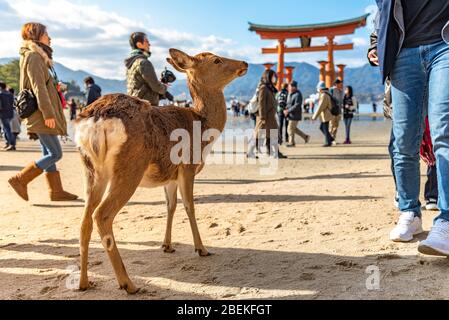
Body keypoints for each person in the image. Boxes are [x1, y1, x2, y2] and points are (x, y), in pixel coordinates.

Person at [371, 0, 449, 255]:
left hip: (444, 45)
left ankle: (446, 220)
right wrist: (375, 44)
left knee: (444, 133)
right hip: (403, 52)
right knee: (403, 142)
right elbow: (383, 11)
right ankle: (409, 212)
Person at [8, 22, 77, 202]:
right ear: (36, 35)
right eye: (47, 34)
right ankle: (20, 179)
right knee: (55, 153)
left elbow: (40, 84)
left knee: (48, 151)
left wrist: (55, 86)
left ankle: (56, 191)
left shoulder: (33, 56)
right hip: (40, 113)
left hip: (39, 112)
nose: (50, 38)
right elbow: (38, 88)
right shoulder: (34, 57)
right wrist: (48, 114)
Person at [247, 69, 286, 159]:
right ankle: (250, 152)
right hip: (264, 116)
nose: (275, 78)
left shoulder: (270, 88)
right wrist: (263, 117)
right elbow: (261, 103)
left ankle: (274, 152)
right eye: (273, 76)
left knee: (272, 134)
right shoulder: (263, 87)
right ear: (268, 76)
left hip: (270, 116)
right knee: (258, 135)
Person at [125, 32, 167, 106]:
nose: (149, 44)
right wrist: (164, 87)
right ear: (139, 44)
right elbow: (156, 87)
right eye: (146, 41)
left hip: (134, 105)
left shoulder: (131, 63)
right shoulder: (144, 63)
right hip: (145, 108)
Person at [284, 81, 310, 147]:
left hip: (295, 114)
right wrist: (286, 109)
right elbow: (288, 103)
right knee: (294, 129)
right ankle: (305, 137)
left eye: (290, 86)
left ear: (294, 87)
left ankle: (291, 143)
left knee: (290, 128)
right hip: (290, 114)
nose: (289, 88)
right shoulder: (290, 93)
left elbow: (297, 105)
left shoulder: (298, 94)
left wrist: (288, 111)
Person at [312, 81, 334, 147]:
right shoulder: (325, 94)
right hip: (325, 114)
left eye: (318, 89)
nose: (318, 90)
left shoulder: (324, 95)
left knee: (324, 128)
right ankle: (330, 139)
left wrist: (314, 117)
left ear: (320, 88)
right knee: (322, 127)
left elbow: (320, 107)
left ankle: (328, 142)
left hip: (326, 114)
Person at [0, 82, 16, 151]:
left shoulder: (1, 94)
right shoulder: (10, 94)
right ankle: (8, 143)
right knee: (6, 129)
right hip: (10, 113)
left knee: (7, 129)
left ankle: (12, 144)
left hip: (3, 113)